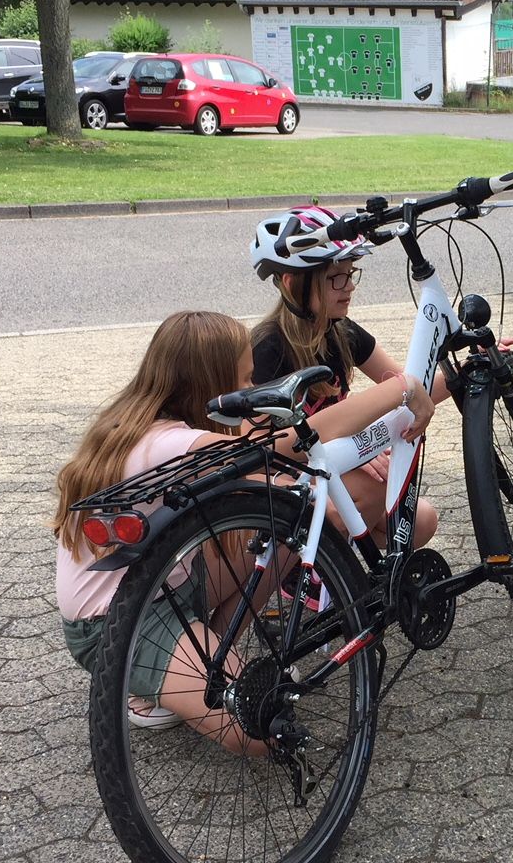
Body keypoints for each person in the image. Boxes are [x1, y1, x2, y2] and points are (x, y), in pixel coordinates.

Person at [52, 309, 433, 736]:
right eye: (247, 380)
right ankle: (152, 684)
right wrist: (400, 389)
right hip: (116, 622)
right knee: (260, 729)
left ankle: (209, 652)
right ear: (211, 386)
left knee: (289, 521)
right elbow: (291, 444)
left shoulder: (139, 420)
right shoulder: (174, 443)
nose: (252, 391)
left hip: (172, 582)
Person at [249, 206, 456, 547]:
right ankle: (309, 582)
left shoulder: (341, 332)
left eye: (350, 274)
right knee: (374, 490)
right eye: (335, 278)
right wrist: (351, 450)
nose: (349, 288)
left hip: (330, 467)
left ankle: (345, 572)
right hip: (284, 479)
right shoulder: (268, 348)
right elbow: (259, 450)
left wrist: (463, 371)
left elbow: (411, 387)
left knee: (420, 521)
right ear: (292, 284)